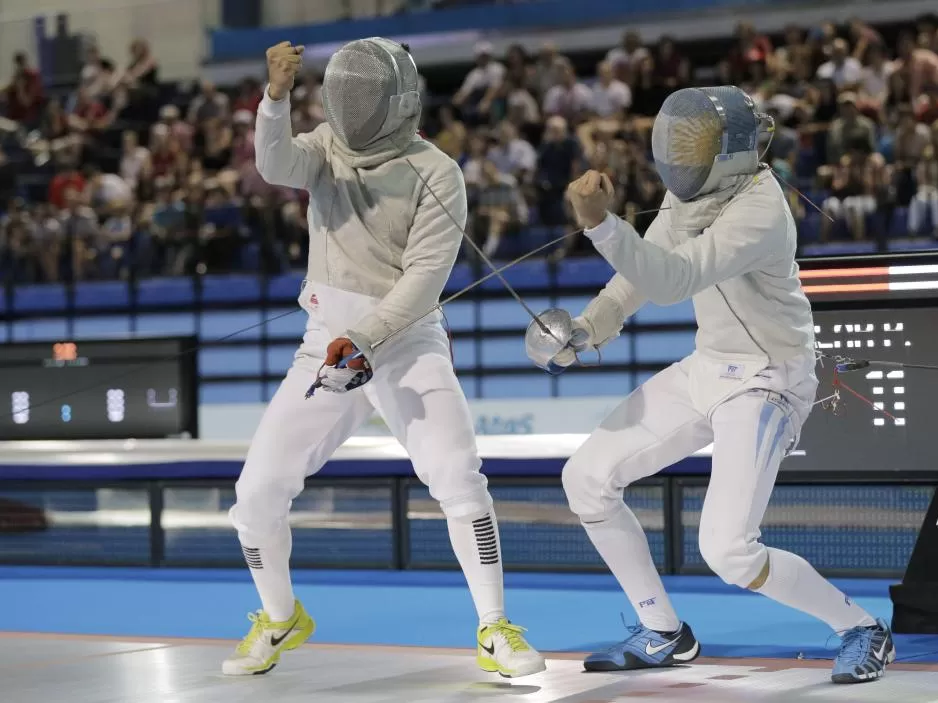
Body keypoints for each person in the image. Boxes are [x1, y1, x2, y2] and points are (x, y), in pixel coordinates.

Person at [525, 86, 895, 685]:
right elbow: (638, 278)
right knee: (586, 478)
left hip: (767, 380)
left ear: (730, 151)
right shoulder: (687, 196)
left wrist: (600, 227)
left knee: (729, 551)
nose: (681, 155)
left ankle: (862, 628)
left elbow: (675, 279)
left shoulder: (761, 209)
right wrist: (588, 329)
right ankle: (664, 632)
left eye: (694, 144)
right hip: (710, 366)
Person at [222, 38, 545, 680]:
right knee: (255, 494)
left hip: (406, 342)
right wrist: (275, 99)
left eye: (368, 96)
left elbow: (424, 278)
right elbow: (274, 164)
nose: (355, 107)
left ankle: (492, 628)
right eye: (348, 94)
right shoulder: (323, 147)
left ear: (397, 101)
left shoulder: (437, 170)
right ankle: (280, 617)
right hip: (326, 345)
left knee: (458, 478)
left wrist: (365, 337)